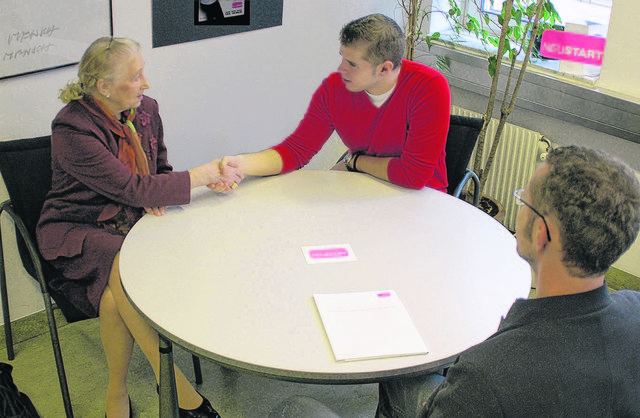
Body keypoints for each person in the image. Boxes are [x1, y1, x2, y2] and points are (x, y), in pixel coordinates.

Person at [36, 37, 243, 418]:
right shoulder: (72, 130)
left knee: (116, 298)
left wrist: (195, 182)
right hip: (78, 228)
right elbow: (131, 188)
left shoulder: (145, 109)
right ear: (104, 87)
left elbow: (157, 171)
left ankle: (117, 391)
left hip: (131, 220)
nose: (146, 83)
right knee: (126, 265)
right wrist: (197, 175)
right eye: (136, 76)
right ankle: (181, 393)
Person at [379, 145, 640, 417]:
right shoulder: (636, 310)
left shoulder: (485, 376)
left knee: (402, 369)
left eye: (523, 201)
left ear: (541, 234)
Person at [222, 13, 450, 191]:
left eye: (352, 63)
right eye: (342, 57)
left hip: (421, 199)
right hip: (360, 188)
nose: (341, 68)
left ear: (384, 68)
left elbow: (413, 176)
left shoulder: (429, 87)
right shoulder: (334, 88)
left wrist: (356, 162)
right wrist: (240, 164)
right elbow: (296, 150)